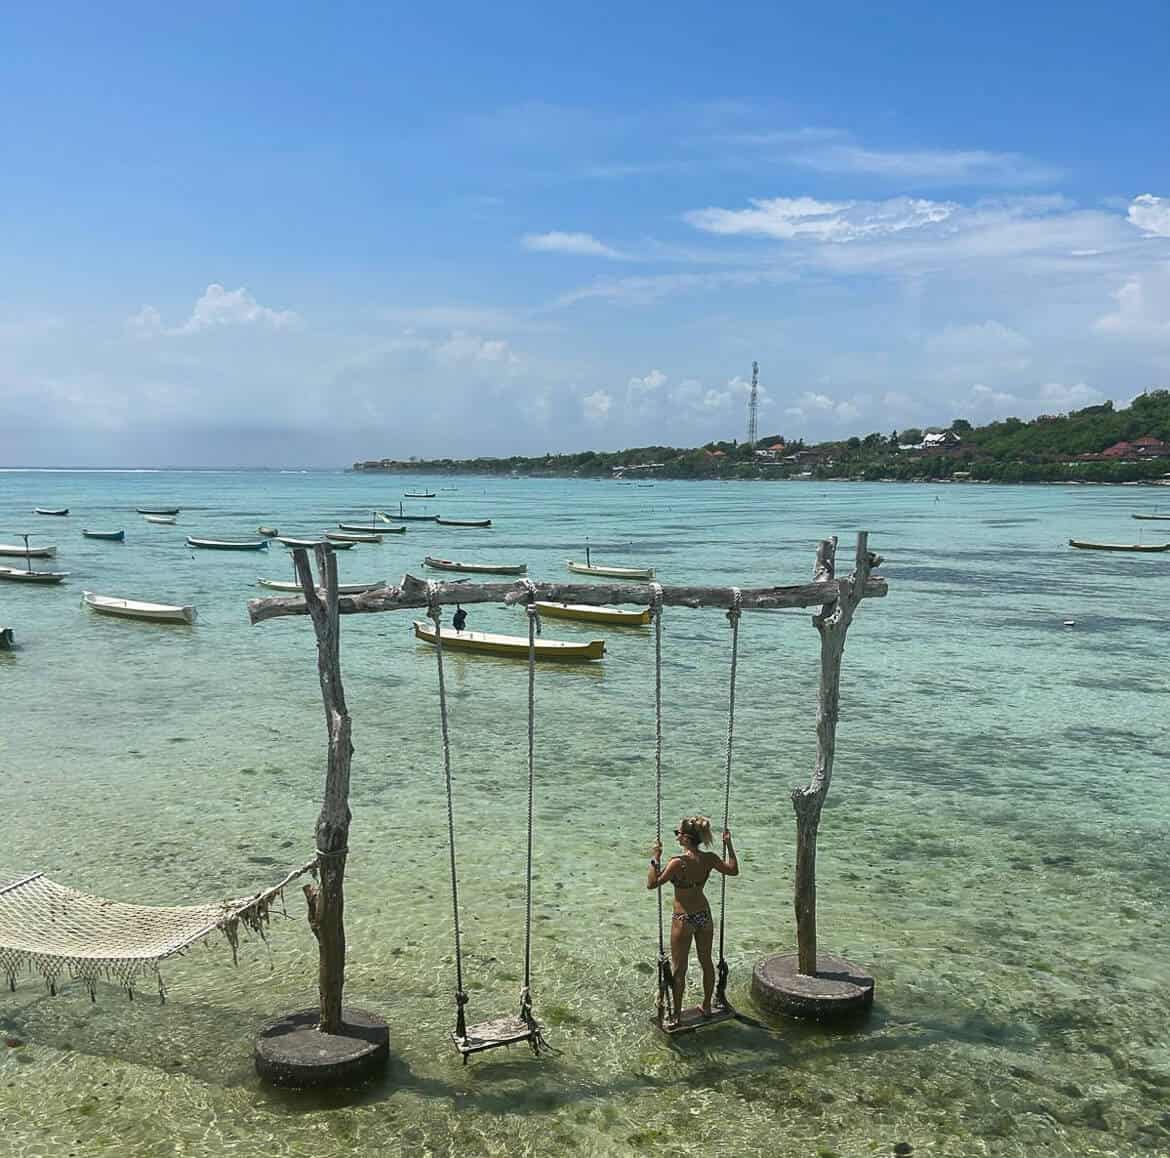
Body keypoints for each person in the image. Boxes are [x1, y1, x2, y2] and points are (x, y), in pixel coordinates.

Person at [646, 815, 738, 1022]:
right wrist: (729, 845)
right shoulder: (710, 858)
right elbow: (733, 870)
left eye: (677, 833)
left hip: (683, 918)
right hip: (704, 916)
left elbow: (652, 884)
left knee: (680, 969)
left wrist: (655, 857)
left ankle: (677, 1014)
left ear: (686, 838)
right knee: (706, 962)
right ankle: (706, 1006)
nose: (676, 837)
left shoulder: (677, 863)